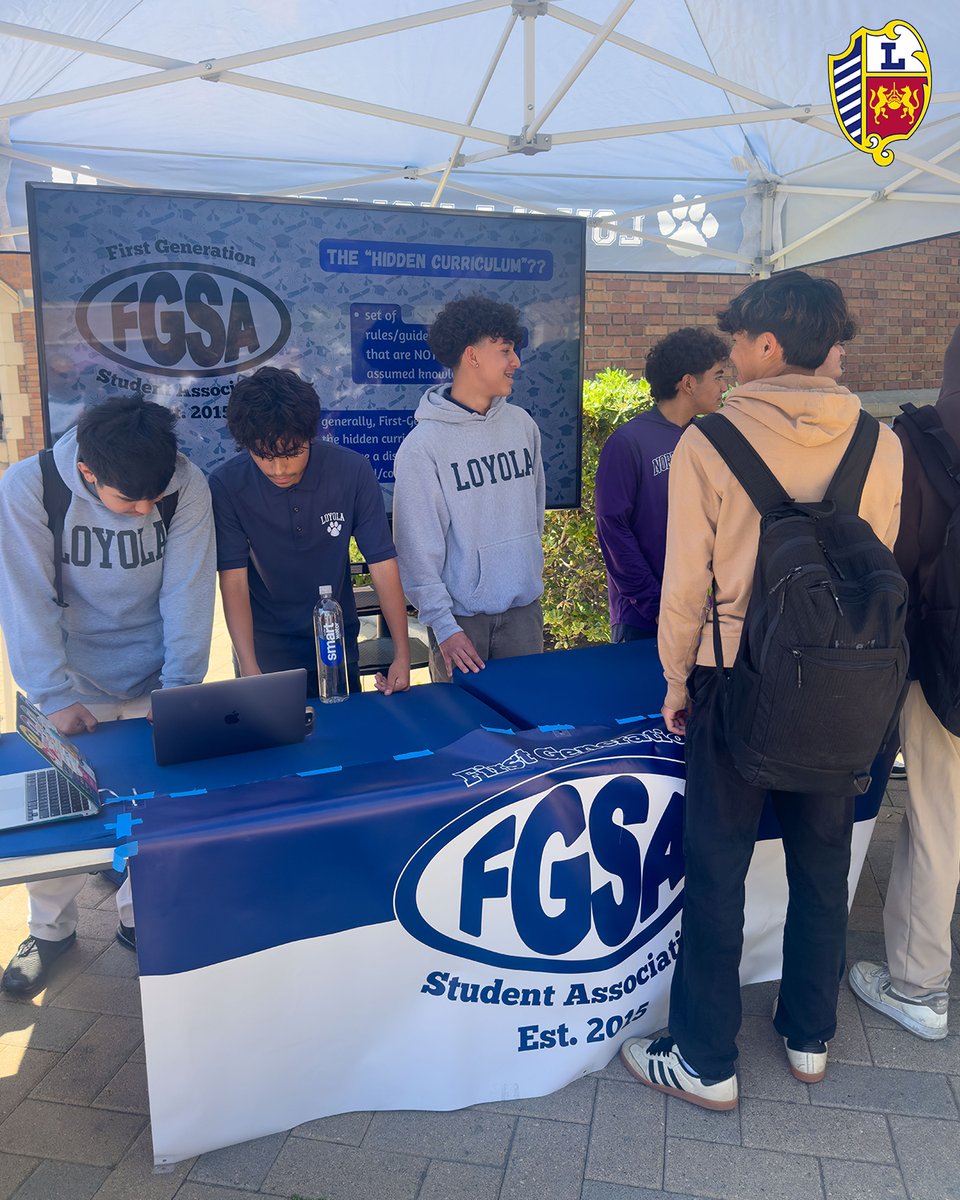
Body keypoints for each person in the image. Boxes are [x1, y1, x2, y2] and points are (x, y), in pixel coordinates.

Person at [618, 271, 902, 1108]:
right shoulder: (878, 441)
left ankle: (705, 1058)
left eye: (738, 338)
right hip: (846, 678)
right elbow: (874, 563)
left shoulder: (710, 442)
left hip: (735, 678)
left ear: (769, 344)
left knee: (717, 868)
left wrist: (676, 680)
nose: (731, 353)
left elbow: (683, 586)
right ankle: (809, 1033)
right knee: (824, 859)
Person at [0, 394, 216, 996]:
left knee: (154, 805)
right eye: (130, 500)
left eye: (154, 496)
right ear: (90, 472)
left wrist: (179, 691)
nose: (146, 510)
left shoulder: (184, 484)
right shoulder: (30, 487)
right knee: (64, 808)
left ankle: (138, 917)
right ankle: (49, 930)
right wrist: (51, 692)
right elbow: (25, 600)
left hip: (154, 674)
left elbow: (188, 591)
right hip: (73, 679)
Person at [849, 320, 960, 1040]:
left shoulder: (913, 443)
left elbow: (888, 557)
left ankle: (919, 984)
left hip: (942, 664)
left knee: (937, 820)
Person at [209, 367, 410, 697]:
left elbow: (382, 564)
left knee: (347, 735)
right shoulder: (226, 485)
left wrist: (401, 653)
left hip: (336, 636)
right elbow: (233, 579)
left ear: (310, 435)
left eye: (292, 453)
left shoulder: (352, 471)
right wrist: (248, 666)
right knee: (278, 743)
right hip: (265, 646)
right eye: (265, 456)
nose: (280, 469)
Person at [392, 296, 545, 682]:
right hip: (461, 627)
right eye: (506, 351)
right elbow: (416, 550)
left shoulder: (523, 425)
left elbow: (535, 514)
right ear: (472, 356)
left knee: (530, 736)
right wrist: (443, 626)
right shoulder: (422, 446)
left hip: (524, 614)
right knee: (467, 737)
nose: (516, 362)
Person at [594, 327, 729, 642]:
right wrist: (655, 604)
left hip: (700, 614)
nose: (724, 386)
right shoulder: (627, 442)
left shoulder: (707, 440)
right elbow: (612, 529)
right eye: (718, 376)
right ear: (688, 383)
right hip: (642, 620)